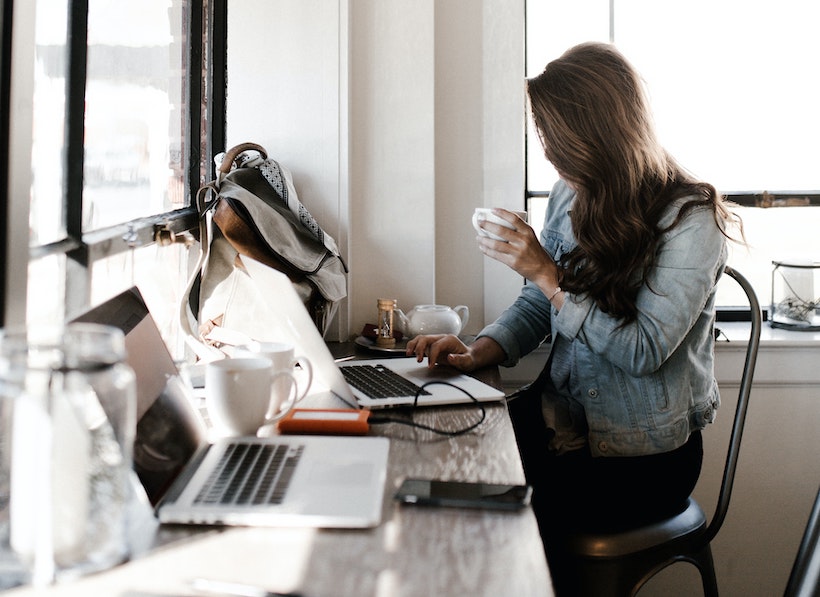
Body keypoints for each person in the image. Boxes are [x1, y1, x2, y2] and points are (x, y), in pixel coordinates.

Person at [406, 42, 741, 593]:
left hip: (643, 461)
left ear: (599, 135)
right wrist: (480, 350)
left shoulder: (692, 220)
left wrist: (545, 272)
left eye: (556, 141)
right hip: (560, 424)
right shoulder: (570, 194)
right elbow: (540, 303)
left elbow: (643, 350)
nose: (550, 156)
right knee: (442, 455)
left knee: (497, 515)